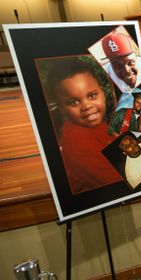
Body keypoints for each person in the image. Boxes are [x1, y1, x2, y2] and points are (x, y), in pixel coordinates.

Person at [47, 57, 123, 194]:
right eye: (73, 102)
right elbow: (120, 181)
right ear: (62, 108)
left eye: (92, 95)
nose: (87, 106)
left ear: (103, 94)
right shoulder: (77, 144)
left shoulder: (100, 125)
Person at [100, 30, 141, 122]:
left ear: (135, 57)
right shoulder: (104, 73)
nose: (127, 71)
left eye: (131, 62)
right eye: (117, 66)